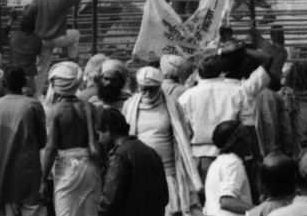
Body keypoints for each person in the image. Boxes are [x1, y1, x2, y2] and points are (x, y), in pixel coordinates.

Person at [123, 66, 202, 215]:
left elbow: (184, 136)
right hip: (139, 172)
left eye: (152, 89)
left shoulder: (172, 105)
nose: (147, 93)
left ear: (160, 86)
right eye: (144, 88)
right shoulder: (129, 105)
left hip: (167, 172)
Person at [27, 0, 100, 94]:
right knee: (75, 35)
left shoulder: (37, 1)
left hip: (42, 41)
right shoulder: (62, 0)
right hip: (59, 38)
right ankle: (72, 61)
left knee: (41, 69)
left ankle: (36, 95)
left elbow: (28, 18)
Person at [178, 53, 250, 184]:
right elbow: (249, 126)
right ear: (222, 72)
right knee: (233, 197)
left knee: (206, 200)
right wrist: (254, 155)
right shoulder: (237, 92)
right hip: (233, 155)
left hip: (200, 156)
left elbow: (184, 132)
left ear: (199, 72)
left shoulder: (186, 97)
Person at [42, 62, 101, 216]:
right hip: (90, 166)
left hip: (67, 169)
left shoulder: (56, 112)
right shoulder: (90, 108)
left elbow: (51, 148)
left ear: (55, 84)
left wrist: (42, 180)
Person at [0, 66, 47, 216]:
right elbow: (42, 141)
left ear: (4, 84)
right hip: (30, 176)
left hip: (3, 177)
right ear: (24, 82)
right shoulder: (33, 105)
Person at [98, 107, 170, 216]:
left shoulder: (119, 156)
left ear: (107, 130)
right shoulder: (151, 152)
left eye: (99, 134)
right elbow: (164, 197)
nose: (99, 140)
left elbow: (109, 201)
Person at [204, 121, 255, 216]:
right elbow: (227, 202)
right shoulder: (233, 163)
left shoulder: (215, 164)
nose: (250, 141)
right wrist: (261, 211)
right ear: (236, 143)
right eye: (245, 138)